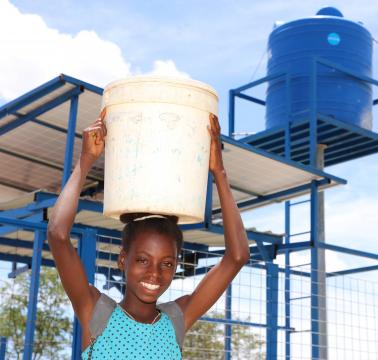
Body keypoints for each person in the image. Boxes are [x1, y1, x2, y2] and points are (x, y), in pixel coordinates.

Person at [47, 109, 250, 359]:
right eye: (143, 260)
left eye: (167, 263)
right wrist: (86, 160)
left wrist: (219, 172)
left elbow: (237, 256)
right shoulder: (97, 312)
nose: (155, 273)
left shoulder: (176, 320)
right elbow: (57, 234)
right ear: (123, 259)